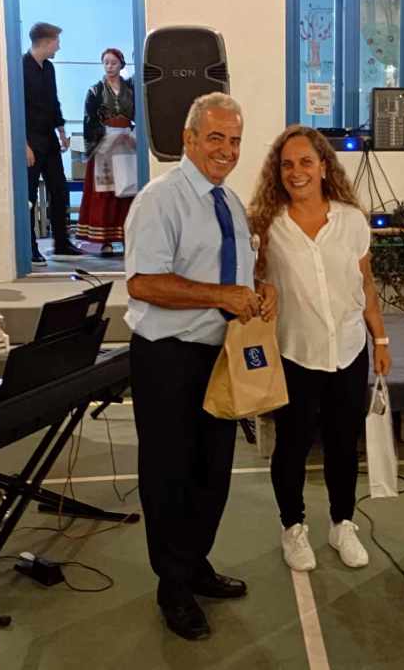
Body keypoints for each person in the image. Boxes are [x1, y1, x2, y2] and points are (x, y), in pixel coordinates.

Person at [124, 92, 277, 640]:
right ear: (188, 139)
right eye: (215, 137)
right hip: (168, 358)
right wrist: (221, 296)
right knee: (169, 474)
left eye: (234, 140)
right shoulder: (159, 200)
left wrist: (259, 290)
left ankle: (194, 563)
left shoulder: (228, 201)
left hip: (220, 354)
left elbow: (233, 275)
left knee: (212, 473)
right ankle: (172, 587)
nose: (227, 150)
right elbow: (143, 283)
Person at [248, 125, 391, 573]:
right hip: (295, 352)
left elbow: (365, 284)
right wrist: (261, 290)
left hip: (348, 349)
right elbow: (253, 283)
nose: (297, 172)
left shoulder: (351, 221)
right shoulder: (266, 225)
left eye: (306, 162)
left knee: (343, 446)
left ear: (324, 166)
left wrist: (380, 338)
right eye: (287, 165)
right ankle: (292, 527)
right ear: (278, 172)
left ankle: (342, 523)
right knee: (291, 447)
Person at [23, 21, 82, 266]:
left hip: (48, 139)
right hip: (30, 140)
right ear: (46, 42)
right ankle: (30, 246)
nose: (59, 46)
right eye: (57, 41)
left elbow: (53, 102)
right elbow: (17, 108)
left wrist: (62, 132)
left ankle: (62, 242)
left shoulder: (48, 68)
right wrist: (23, 144)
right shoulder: (21, 67)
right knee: (29, 196)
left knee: (59, 190)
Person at [76, 47, 137, 256]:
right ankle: (105, 240)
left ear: (121, 64)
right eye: (106, 63)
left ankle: (127, 236)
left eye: (113, 63)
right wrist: (108, 137)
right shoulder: (95, 91)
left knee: (127, 191)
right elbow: (89, 120)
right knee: (105, 192)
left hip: (127, 143)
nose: (110, 67)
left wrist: (132, 134)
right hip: (105, 143)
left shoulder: (131, 89)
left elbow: (141, 114)